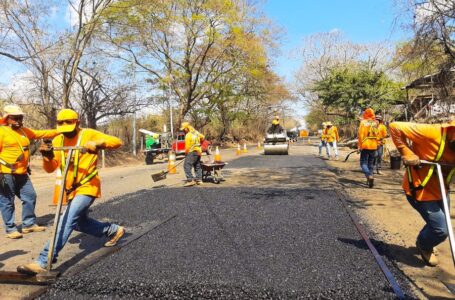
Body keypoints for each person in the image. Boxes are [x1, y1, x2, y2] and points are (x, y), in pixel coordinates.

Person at [17, 108, 125, 275]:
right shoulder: (58, 139)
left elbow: (117, 142)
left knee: (66, 219)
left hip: (87, 185)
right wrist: (47, 156)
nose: (66, 132)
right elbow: (50, 169)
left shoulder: (88, 134)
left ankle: (43, 260)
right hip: (71, 190)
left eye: (69, 127)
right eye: (62, 127)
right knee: (79, 223)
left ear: (77, 123)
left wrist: (98, 144)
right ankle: (113, 230)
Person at [389, 120, 454, 266]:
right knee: (441, 230)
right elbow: (395, 127)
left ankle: (426, 238)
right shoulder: (432, 132)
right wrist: (406, 152)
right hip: (420, 191)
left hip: (442, 190)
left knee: (441, 224)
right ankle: (424, 245)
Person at [0, 104, 58, 239]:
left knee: (30, 196)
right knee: (7, 201)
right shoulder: (2, 132)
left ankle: (28, 224)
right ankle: (10, 229)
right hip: (5, 173)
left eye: (20, 118)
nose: (18, 121)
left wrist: (60, 130)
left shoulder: (24, 131)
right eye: (15, 118)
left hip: (22, 173)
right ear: (7, 118)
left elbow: (41, 133)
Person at [358, 108, 379, 188]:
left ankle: (369, 175)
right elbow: (377, 134)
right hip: (373, 145)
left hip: (365, 144)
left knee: (363, 162)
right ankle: (370, 178)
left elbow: (360, 135)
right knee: (370, 163)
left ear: (365, 114)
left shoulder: (363, 122)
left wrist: (359, 146)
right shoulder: (375, 123)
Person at [181, 122, 205, 187]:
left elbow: (187, 148)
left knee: (186, 165)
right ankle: (199, 180)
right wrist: (200, 143)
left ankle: (190, 180)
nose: (183, 130)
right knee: (197, 165)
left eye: (183, 129)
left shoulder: (188, 135)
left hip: (192, 152)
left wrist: (186, 154)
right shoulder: (196, 132)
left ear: (186, 128)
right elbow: (203, 137)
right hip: (198, 151)